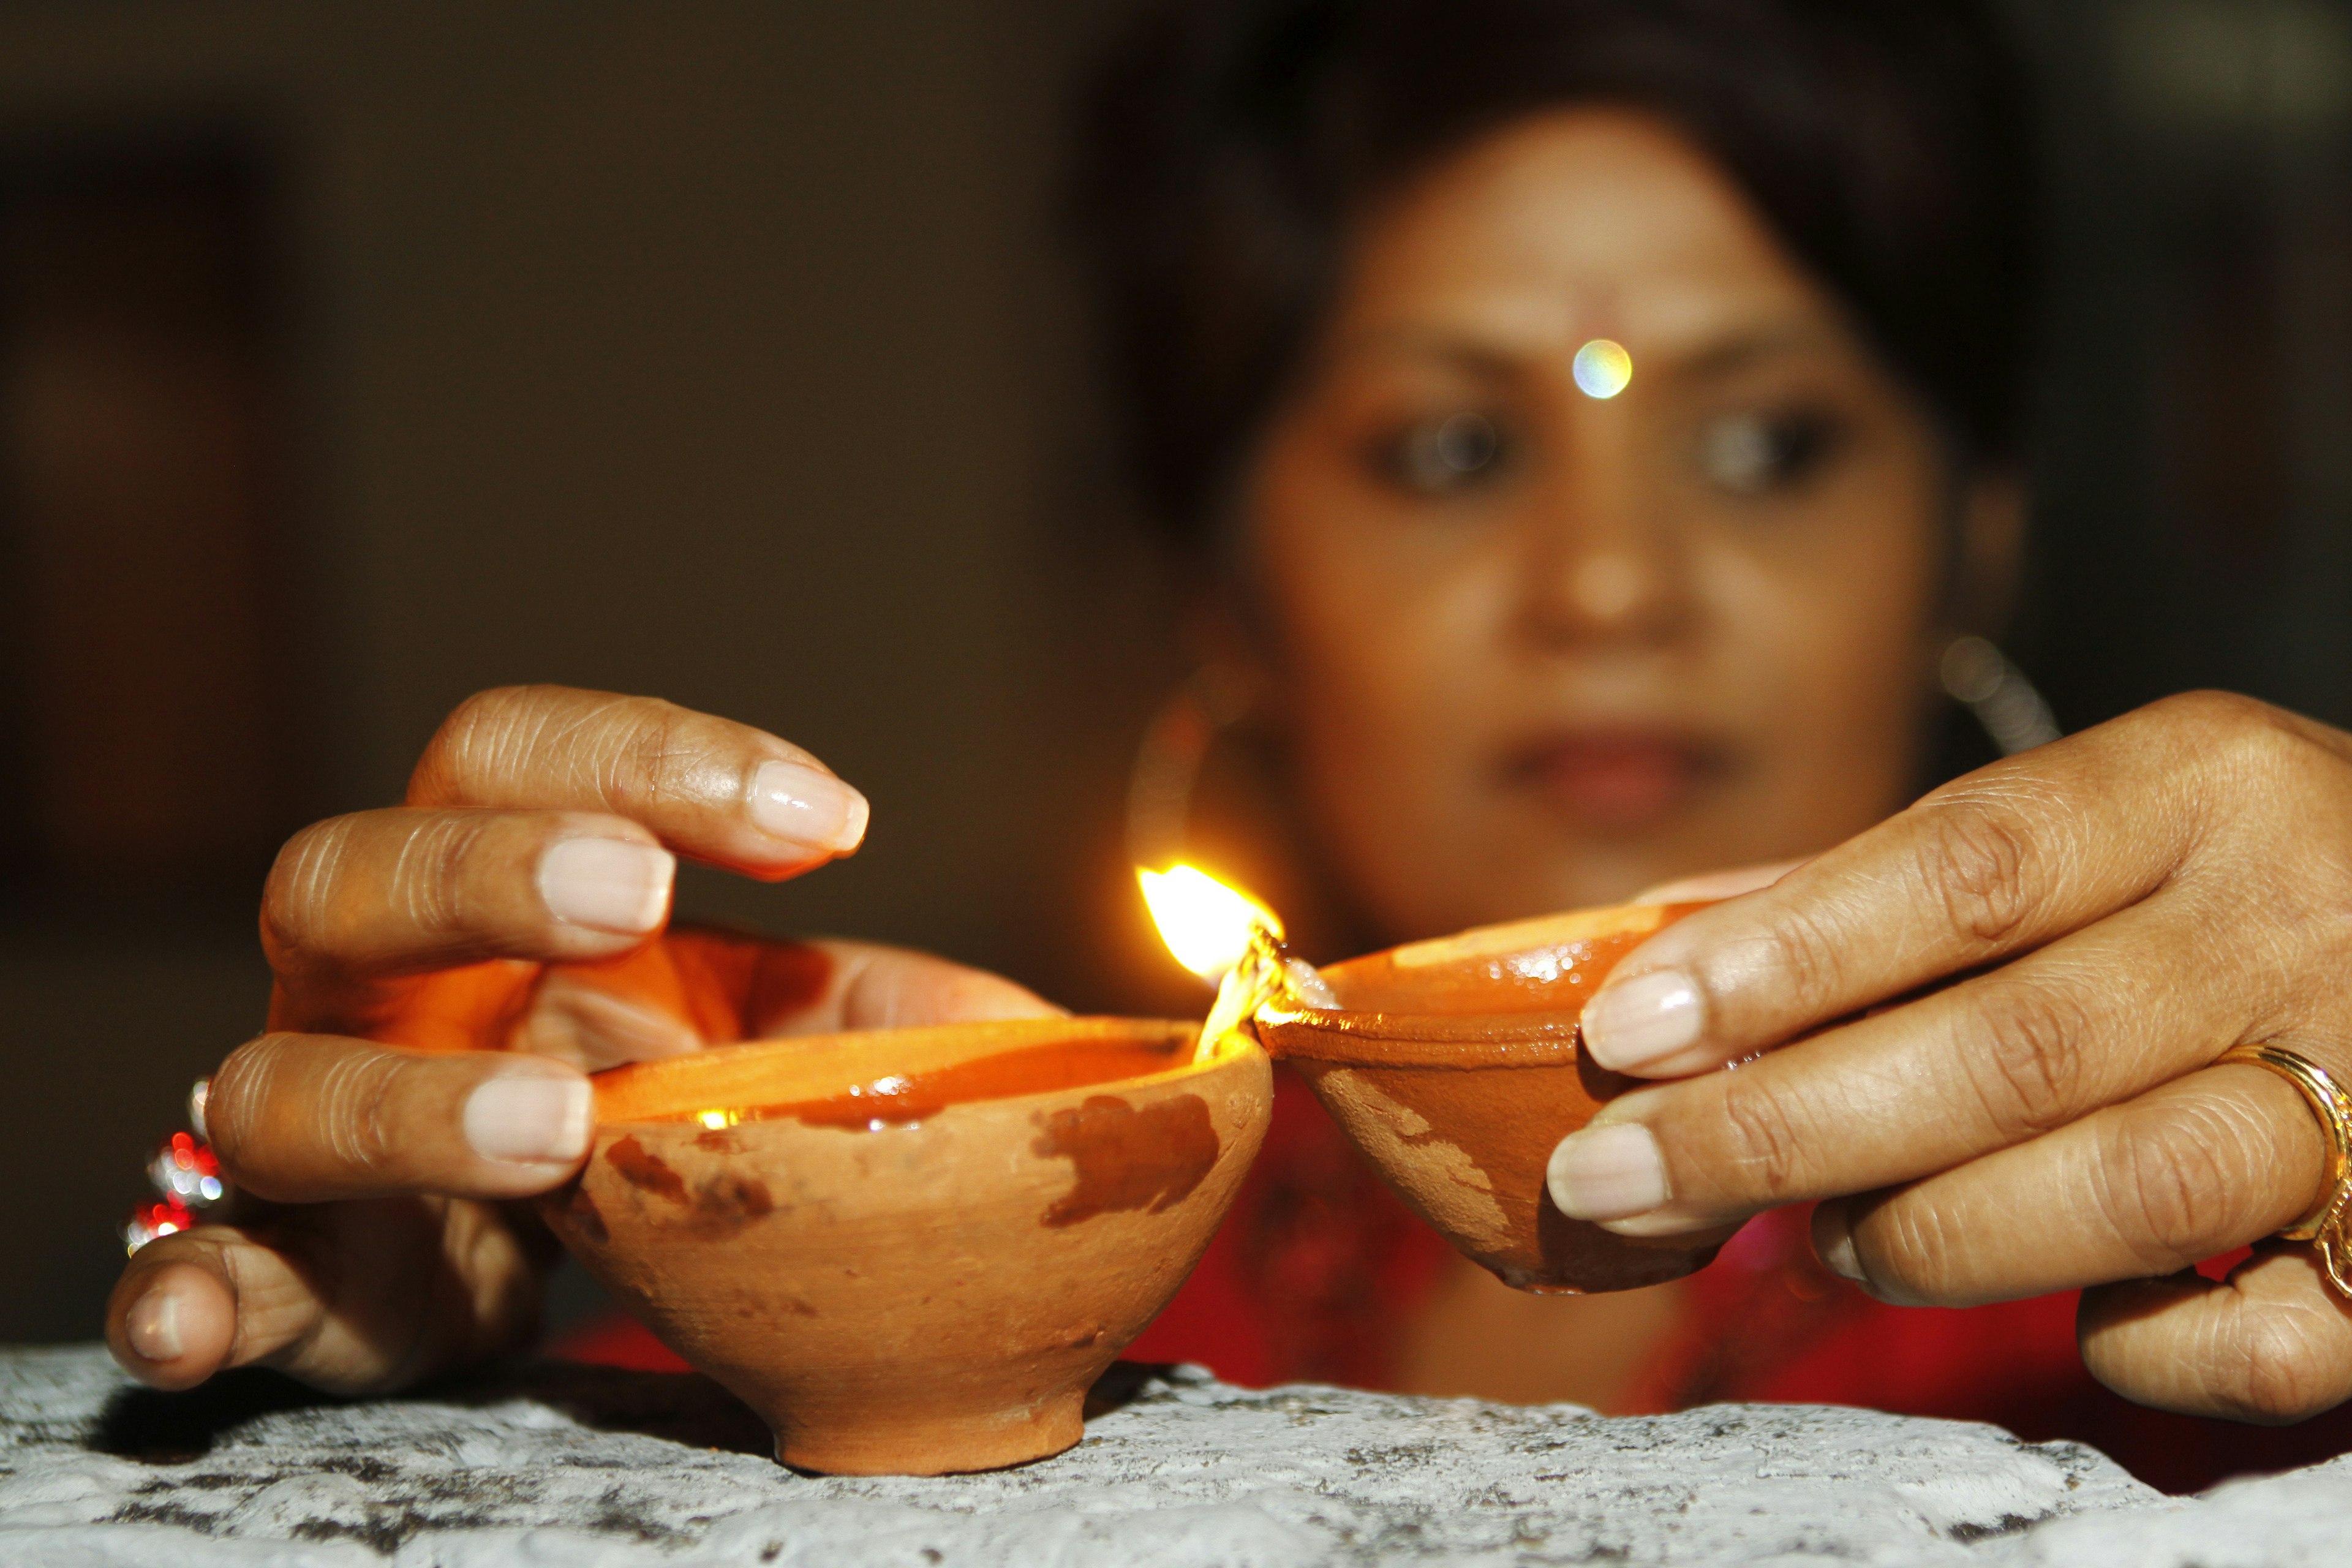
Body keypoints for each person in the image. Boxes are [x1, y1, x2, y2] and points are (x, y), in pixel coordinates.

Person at [108, 0, 2352, 1493]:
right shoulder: (995, 1231)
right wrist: (376, 1323)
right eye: (1454, 449)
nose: (1610, 584)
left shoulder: (2204, 1264)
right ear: (1225, 585)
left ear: (1980, 523)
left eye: (1765, 438)